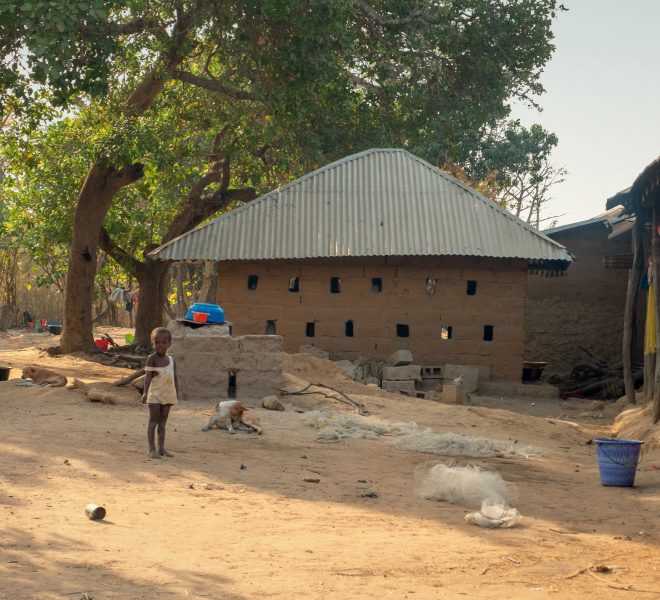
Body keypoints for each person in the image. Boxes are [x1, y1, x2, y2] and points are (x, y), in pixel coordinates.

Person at [142, 327, 178, 459]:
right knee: (153, 422)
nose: (160, 345)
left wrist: (176, 394)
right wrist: (145, 393)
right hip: (155, 396)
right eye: (157, 342)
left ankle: (161, 448)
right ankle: (152, 449)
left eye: (164, 342)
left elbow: (175, 378)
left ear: (169, 343)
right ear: (152, 343)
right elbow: (147, 378)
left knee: (163, 424)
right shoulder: (152, 359)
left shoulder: (172, 360)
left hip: (168, 395)